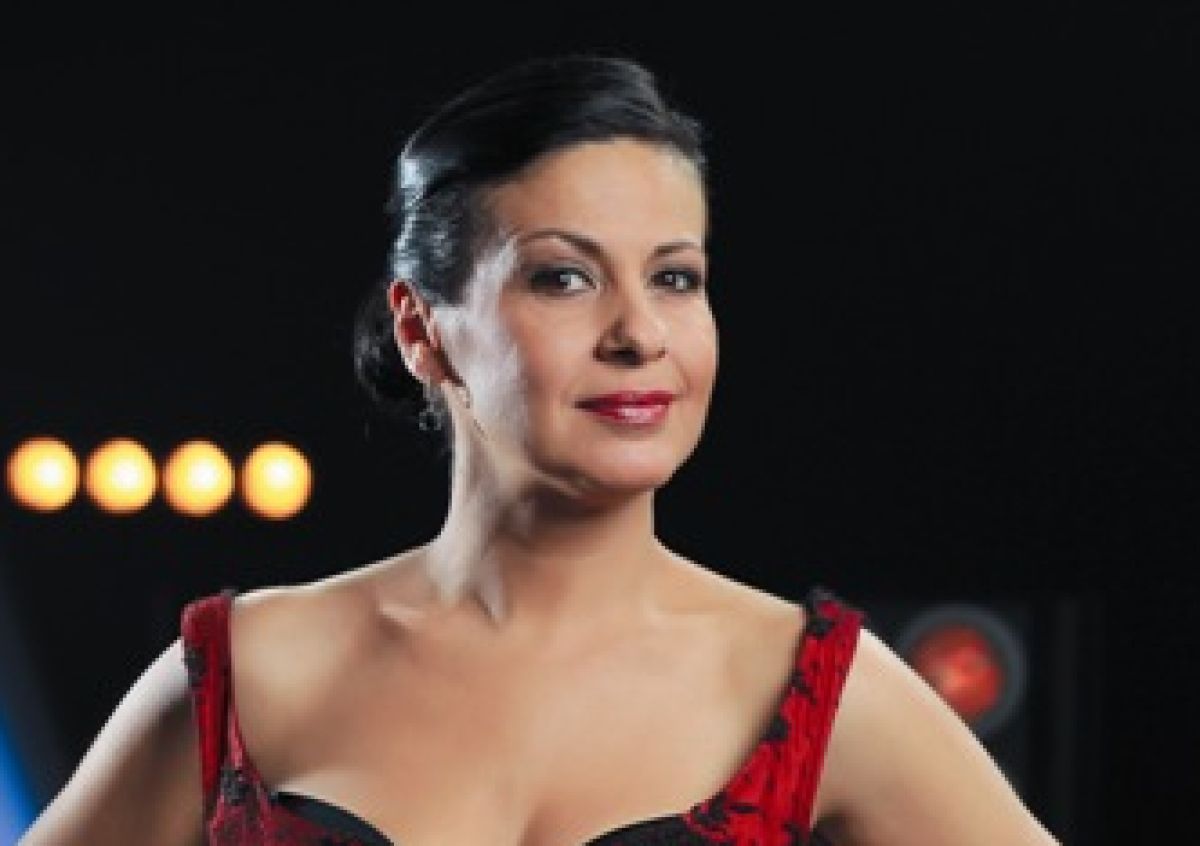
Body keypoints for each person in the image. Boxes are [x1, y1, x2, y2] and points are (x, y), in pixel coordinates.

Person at [20, 55, 1059, 846]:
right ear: (423, 330)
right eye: (563, 277)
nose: (639, 333)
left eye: (676, 278)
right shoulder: (248, 673)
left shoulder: (815, 688)